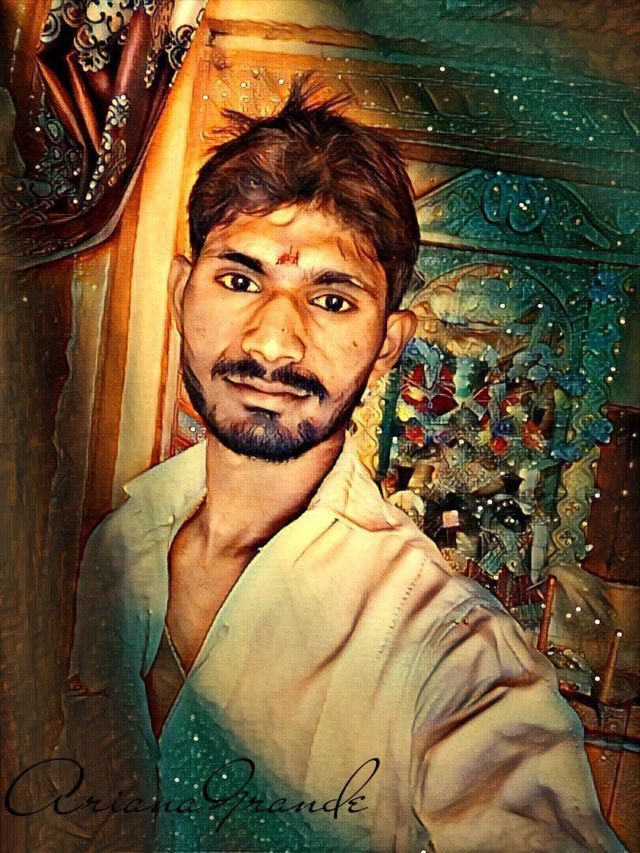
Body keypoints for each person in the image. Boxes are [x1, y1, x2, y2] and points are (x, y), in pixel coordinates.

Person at [45, 76, 624, 852]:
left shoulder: (449, 651)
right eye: (240, 279)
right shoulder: (113, 550)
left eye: (332, 300)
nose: (272, 341)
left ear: (387, 344)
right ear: (182, 292)